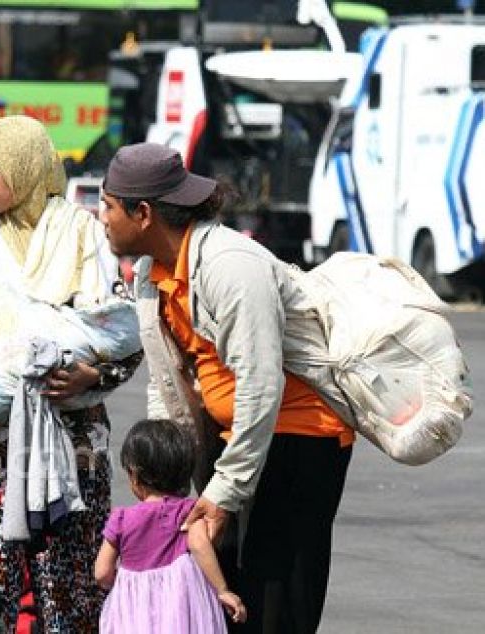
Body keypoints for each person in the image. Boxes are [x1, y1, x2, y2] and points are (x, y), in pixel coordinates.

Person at [97, 142, 354, 633]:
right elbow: (168, 380)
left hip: (298, 437)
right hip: (232, 440)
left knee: (276, 606)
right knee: (226, 597)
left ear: (143, 213)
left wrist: (224, 492)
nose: (101, 218)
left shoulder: (230, 267)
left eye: (108, 206)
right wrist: (167, 482)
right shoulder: (152, 274)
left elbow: (260, 386)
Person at [0, 115, 143, 632]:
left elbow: (121, 332)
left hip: (71, 447)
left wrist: (91, 377)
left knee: (69, 587)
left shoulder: (83, 235)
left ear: (26, 167)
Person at [95, 419, 246, 633]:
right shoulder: (187, 512)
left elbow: (102, 573)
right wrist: (222, 590)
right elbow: (200, 544)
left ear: (134, 475)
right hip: (181, 605)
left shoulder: (121, 519)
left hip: (135, 611)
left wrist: (129, 584)